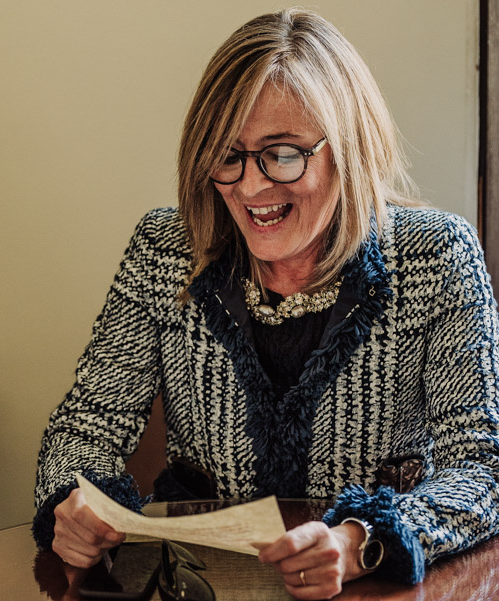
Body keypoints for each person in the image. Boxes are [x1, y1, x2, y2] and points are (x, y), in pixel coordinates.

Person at [32, 8, 499, 600]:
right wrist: (75, 503)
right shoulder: (163, 250)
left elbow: (483, 470)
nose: (251, 187)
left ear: (348, 149)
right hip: (195, 583)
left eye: (282, 154)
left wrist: (364, 541)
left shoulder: (436, 258)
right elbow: (83, 428)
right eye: (229, 155)